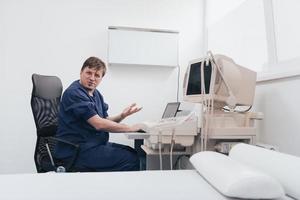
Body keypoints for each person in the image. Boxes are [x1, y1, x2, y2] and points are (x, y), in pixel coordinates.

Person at [54, 56, 142, 172]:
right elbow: (99, 124)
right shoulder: (74, 93)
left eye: (97, 75)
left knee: (133, 152)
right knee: (131, 160)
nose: (92, 78)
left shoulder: (96, 94)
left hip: (94, 145)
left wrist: (122, 115)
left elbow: (105, 120)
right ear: (81, 72)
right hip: (77, 151)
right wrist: (130, 128)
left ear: (101, 78)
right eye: (88, 73)